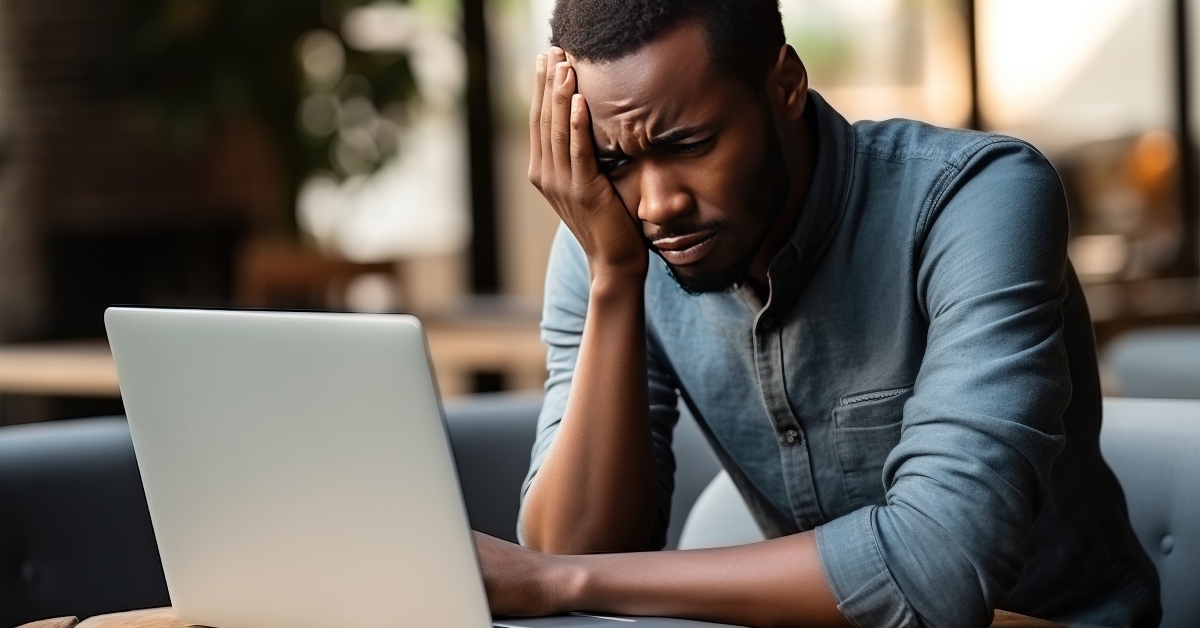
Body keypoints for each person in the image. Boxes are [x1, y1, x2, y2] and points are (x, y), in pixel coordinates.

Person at [474, 1, 1162, 626]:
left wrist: (566, 582)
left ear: (786, 84)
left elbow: (938, 573)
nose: (656, 204)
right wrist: (615, 281)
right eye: (613, 160)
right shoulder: (613, 243)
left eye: (688, 145)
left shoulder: (976, 199)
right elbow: (577, 547)